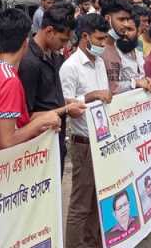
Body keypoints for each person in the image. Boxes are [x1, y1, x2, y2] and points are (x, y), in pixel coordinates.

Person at [61, 13, 112, 248]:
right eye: (100, 39)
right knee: (81, 204)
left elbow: (106, 96)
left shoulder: (99, 62)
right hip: (83, 143)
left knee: (97, 199)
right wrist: (91, 96)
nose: (103, 44)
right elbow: (66, 106)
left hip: (102, 138)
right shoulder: (70, 67)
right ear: (85, 36)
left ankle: (92, 244)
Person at [0, 8, 61, 153]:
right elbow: (7, 141)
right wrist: (39, 123)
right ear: (25, 43)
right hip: (8, 162)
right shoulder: (9, 80)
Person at [19, 3, 83, 176]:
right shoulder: (29, 62)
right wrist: (66, 108)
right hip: (38, 147)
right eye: (62, 40)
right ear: (49, 31)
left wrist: (66, 102)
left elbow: (51, 98)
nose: (63, 45)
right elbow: (26, 116)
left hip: (56, 141)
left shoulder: (55, 56)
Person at [101, 0, 150, 94]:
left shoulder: (115, 48)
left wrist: (145, 81)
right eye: (121, 19)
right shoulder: (97, 49)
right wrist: (135, 83)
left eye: (127, 20)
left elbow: (115, 86)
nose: (126, 24)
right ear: (107, 19)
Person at [115, 14, 151, 94]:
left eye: (129, 29)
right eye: (122, 30)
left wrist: (147, 80)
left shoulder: (138, 51)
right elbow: (112, 87)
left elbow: (141, 76)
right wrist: (135, 83)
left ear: (138, 31)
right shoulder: (114, 53)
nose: (125, 33)